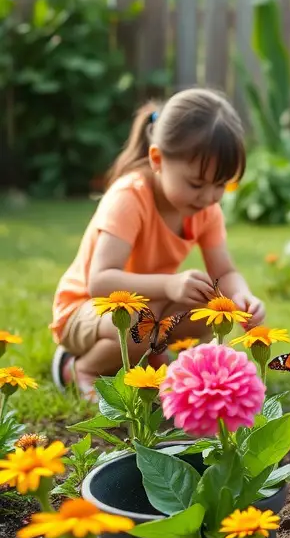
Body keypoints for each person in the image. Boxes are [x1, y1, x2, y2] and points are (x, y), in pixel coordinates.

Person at [50, 88, 265, 396]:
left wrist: (243, 296)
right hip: (86, 310)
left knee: (212, 306)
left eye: (221, 185)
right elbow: (99, 281)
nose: (208, 197)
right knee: (137, 323)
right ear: (157, 159)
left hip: (147, 307)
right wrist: (168, 285)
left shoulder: (205, 210)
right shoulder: (129, 198)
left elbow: (225, 273)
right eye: (196, 183)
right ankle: (80, 367)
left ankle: (150, 356)